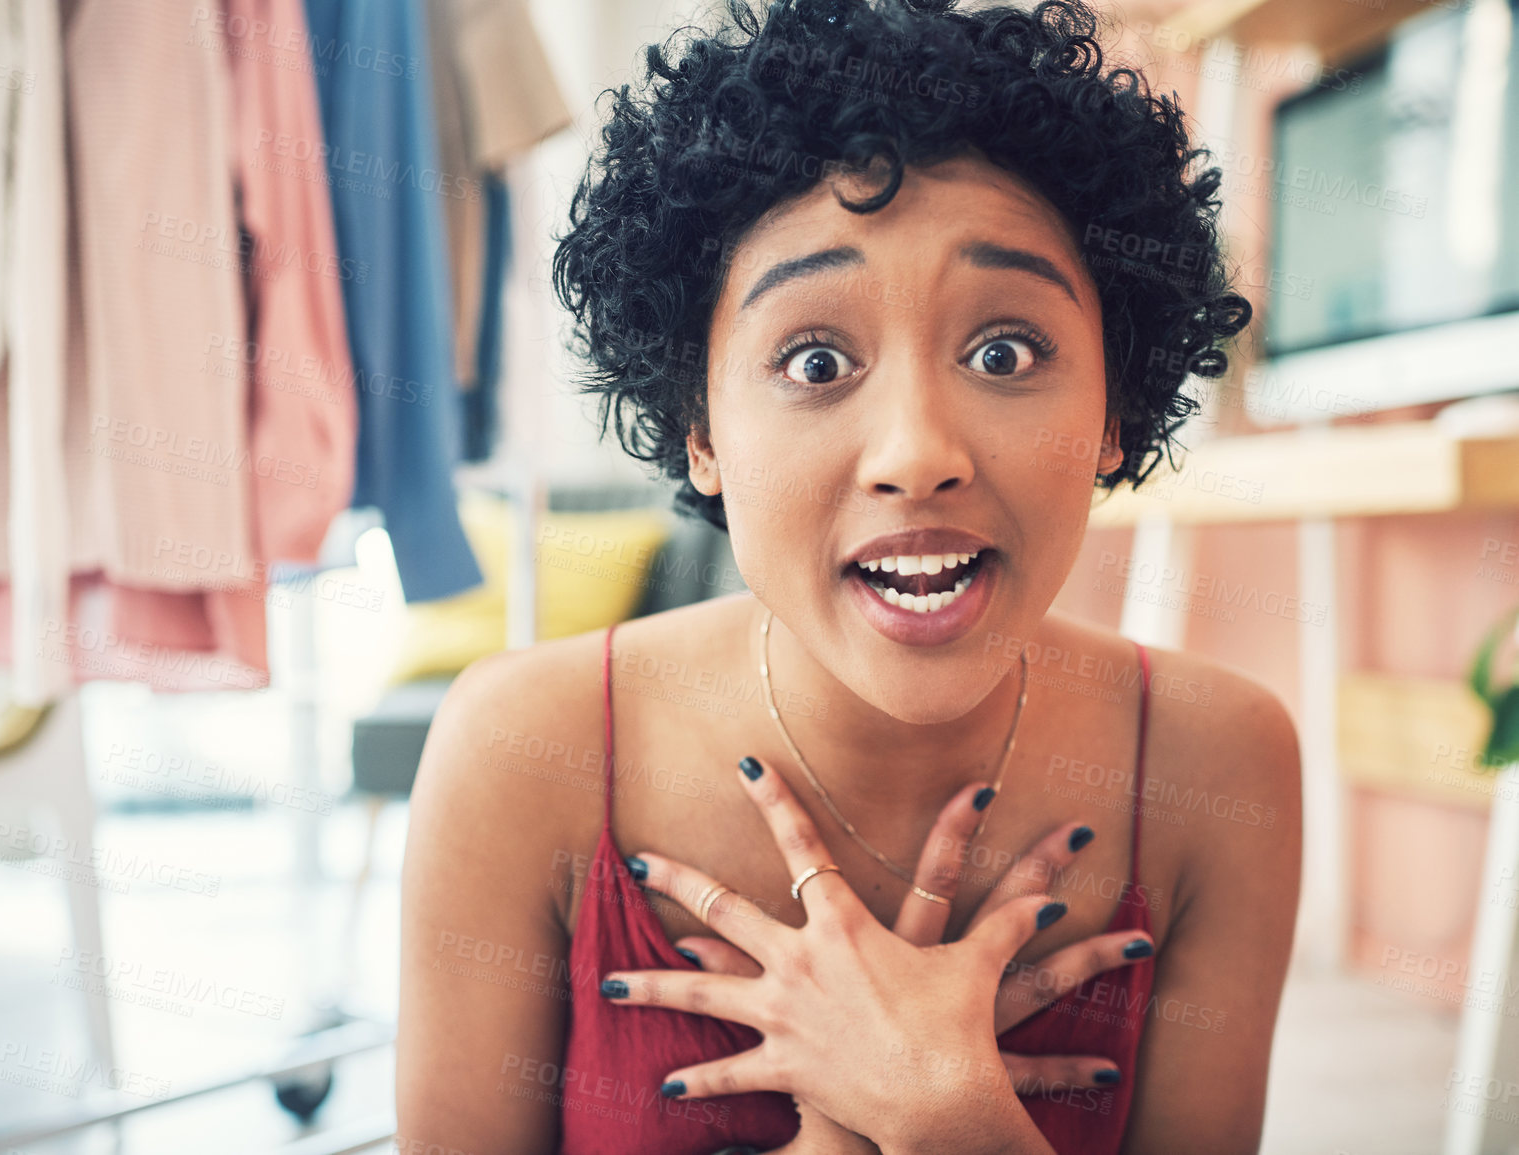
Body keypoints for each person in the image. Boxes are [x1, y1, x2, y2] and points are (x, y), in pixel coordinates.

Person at [395, 0, 1301, 1151]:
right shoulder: (522, 749)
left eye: (1004, 351)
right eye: (816, 360)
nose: (918, 453)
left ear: (1116, 409)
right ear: (700, 429)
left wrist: (953, 1116)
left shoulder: (1216, 763)